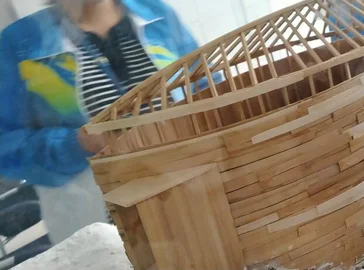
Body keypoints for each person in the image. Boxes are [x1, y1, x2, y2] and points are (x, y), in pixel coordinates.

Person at [0, 0, 220, 245]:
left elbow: (211, 89)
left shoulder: (157, 15)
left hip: (198, 204)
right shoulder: (19, 45)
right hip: (103, 230)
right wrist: (77, 143)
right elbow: (5, 147)